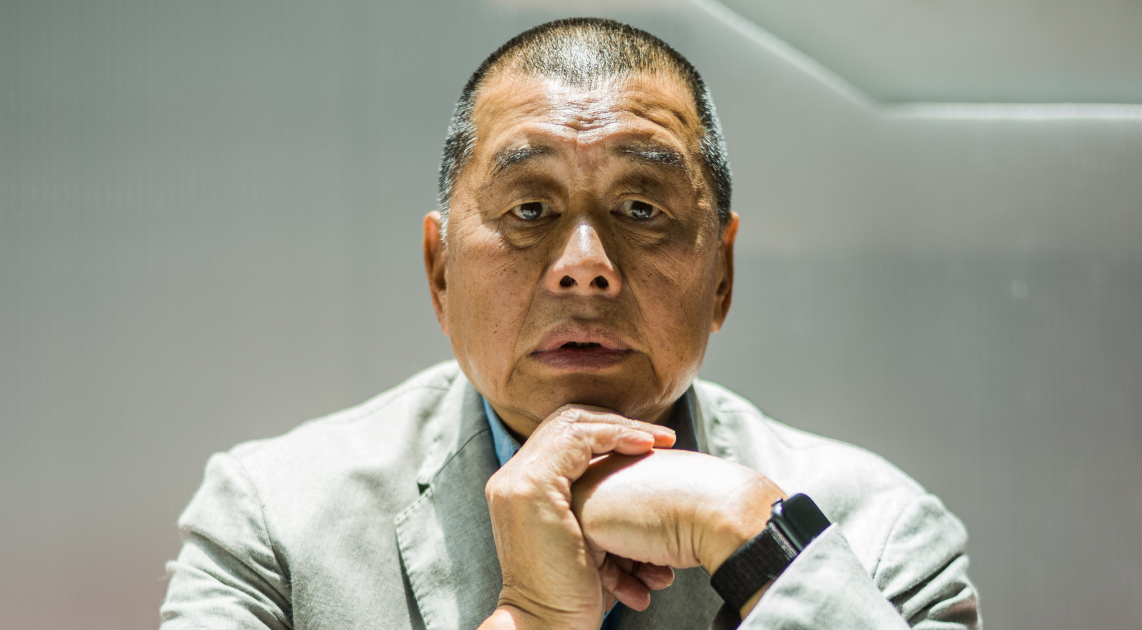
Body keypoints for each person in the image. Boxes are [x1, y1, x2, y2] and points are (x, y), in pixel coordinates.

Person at [160, 18, 979, 630]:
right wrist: (533, 620)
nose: (585, 265)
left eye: (640, 208)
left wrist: (747, 531)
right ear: (440, 273)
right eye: (529, 209)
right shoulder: (273, 520)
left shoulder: (878, 534)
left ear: (722, 275)